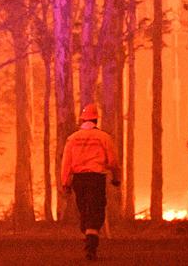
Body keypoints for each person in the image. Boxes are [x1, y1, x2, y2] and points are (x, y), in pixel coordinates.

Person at [61, 102, 120, 260]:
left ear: (82, 120)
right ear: (96, 120)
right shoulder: (104, 137)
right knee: (97, 210)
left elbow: (66, 163)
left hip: (79, 180)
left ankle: (88, 235)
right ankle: (91, 243)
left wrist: (65, 183)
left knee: (84, 210)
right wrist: (116, 178)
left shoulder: (72, 139)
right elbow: (113, 161)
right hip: (96, 178)